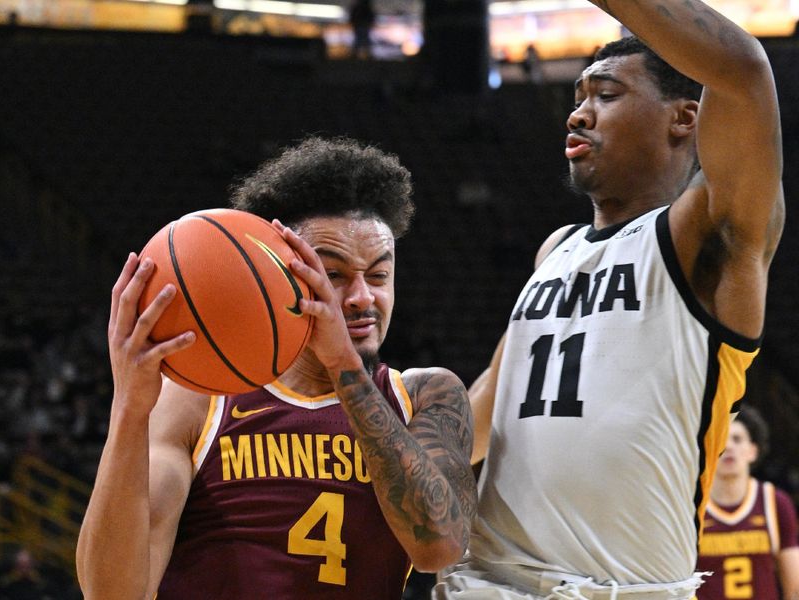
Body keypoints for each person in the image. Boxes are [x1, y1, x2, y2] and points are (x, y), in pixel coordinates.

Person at [436, 0, 785, 598]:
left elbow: (744, 70)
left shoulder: (706, 233)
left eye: (605, 94)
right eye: (576, 99)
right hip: (483, 581)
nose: (578, 115)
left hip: (621, 588)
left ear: (685, 119)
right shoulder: (555, 251)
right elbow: (485, 412)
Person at [76, 136, 477, 599]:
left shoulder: (426, 395)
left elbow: (439, 548)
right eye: (334, 275)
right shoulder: (199, 402)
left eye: (379, 275)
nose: (363, 297)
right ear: (276, 277)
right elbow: (112, 594)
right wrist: (128, 408)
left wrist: (341, 362)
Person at [696, 406, 799, 600]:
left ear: (753, 451)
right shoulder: (692, 506)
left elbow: (794, 589)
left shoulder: (775, 502)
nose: (728, 447)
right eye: (721, 439)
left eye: (737, 439)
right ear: (708, 450)